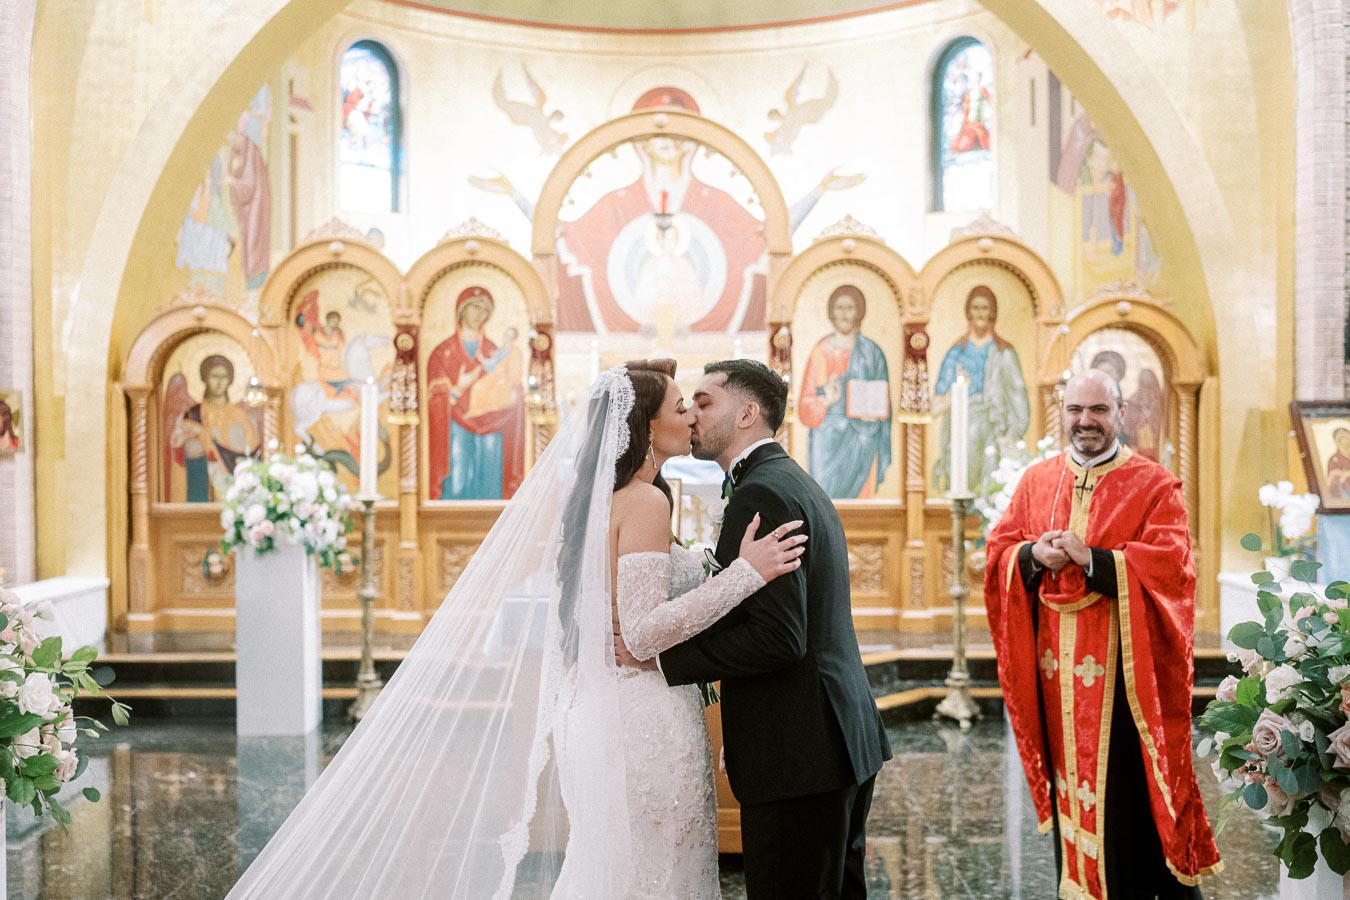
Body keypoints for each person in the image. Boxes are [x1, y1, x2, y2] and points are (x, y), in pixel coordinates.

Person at [226, 360, 806, 899]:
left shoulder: (606, 499)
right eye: (681, 406)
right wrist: (742, 577)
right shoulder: (646, 502)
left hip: (604, 712)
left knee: (615, 866)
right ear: (648, 429)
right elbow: (644, 634)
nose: (691, 417)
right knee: (655, 870)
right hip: (640, 719)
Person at [654, 359, 892, 899]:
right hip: (834, 737)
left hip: (799, 751)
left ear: (748, 413)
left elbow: (779, 638)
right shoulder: (790, 480)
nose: (692, 414)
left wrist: (663, 658)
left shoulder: (761, 493)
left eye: (705, 401)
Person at [984, 369, 1221, 900]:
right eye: (1075, 410)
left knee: (1125, 805)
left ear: (1120, 413)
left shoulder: (1155, 485)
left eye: (1098, 410)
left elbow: (1173, 570)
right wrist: (1030, 555)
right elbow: (999, 550)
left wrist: (1092, 559)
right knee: (1071, 791)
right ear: (1062, 412)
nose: (1085, 421)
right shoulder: (1037, 481)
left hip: (1122, 682)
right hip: (1053, 680)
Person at [426, 286, 526, 500]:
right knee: (458, 474)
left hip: (491, 422)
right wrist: (458, 388)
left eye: (484, 310)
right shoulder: (443, 352)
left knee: (490, 474)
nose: (479, 314)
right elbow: (433, 401)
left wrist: (515, 396)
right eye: (474, 307)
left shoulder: (494, 351)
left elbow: (510, 381)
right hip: (455, 426)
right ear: (461, 310)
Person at [797, 285, 892, 499]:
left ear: (859, 312)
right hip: (828, 438)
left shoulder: (871, 351)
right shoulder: (820, 352)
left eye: (850, 308)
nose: (844, 314)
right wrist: (826, 401)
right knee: (825, 500)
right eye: (839, 307)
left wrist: (874, 413)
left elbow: (883, 397)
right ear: (831, 312)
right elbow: (804, 406)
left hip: (863, 435)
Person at [933, 285, 1029, 492]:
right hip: (962, 422)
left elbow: (1017, 394)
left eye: (985, 308)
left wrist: (1013, 432)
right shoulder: (956, 352)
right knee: (964, 466)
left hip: (996, 424)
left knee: (993, 476)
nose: (980, 313)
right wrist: (955, 393)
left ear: (993, 312)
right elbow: (936, 402)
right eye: (975, 308)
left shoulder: (1004, 352)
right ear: (968, 312)